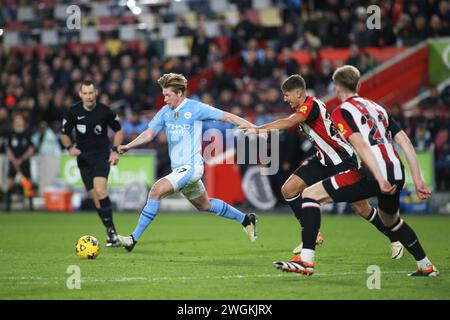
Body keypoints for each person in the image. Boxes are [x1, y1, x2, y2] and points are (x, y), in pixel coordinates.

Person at [273, 66, 438, 277]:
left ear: (337, 88)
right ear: (358, 85)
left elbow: (359, 145)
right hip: (396, 170)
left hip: (368, 170)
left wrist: (379, 178)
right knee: (392, 221)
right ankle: (426, 265)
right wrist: (418, 180)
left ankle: (306, 260)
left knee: (313, 196)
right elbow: (404, 140)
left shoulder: (341, 111)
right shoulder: (377, 107)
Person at [242, 74, 403, 259]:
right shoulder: (305, 107)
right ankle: (312, 233)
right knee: (288, 189)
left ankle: (395, 236)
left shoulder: (311, 105)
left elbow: (288, 123)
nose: (285, 99)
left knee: (361, 208)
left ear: (299, 93)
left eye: (287, 95)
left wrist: (258, 129)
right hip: (322, 159)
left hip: (342, 159)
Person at [116, 73, 257, 252]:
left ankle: (132, 239)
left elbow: (227, 116)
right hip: (180, 169)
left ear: (180, 93)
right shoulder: (165, 112)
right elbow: (149, 133)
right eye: (163, 95)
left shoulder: (195, 108)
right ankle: (246, 220)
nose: (164, 99)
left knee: (156, 190)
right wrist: (129, 145)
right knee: (204, 205)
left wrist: (251, 126)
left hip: (192, 166)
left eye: (168, 95)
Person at [60, 80, 123, 247]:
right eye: (85, 93)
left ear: (96, 93)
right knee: (96, 197)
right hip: (83, 159)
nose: (88, 96)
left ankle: (112, 233)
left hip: (101, 155)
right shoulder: (73, 111)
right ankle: (111, 232)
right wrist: (69, 147)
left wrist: (115, 150)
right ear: (80, 94)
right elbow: (64, 133)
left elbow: (118, 130)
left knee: (101, 190)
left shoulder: (104, 111)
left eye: (91, 93)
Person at [4, 114, 35, 211]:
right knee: (10, 183)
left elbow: (31, 148)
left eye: (19, 120)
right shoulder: (10, 134)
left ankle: (31, 207)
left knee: (27, 183)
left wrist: (21, 159)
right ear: (14, 123)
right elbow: (7, 149)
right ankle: (7, 208)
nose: (18, 123)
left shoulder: (27, 134)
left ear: (23, 122)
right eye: (16, 121)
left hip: (24, 161)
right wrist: (14, 160)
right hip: (13, 162)